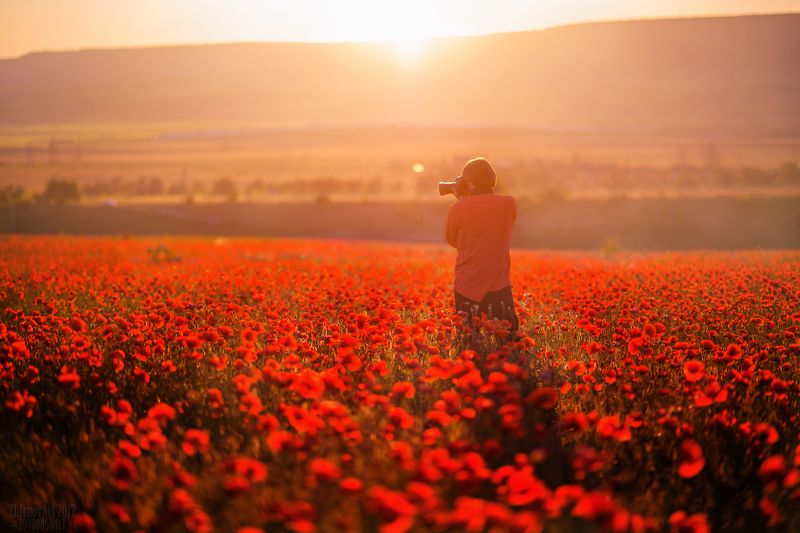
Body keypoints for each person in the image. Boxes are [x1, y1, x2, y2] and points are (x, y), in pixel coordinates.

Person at [445, 157, 519, 332]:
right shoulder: (509, 204)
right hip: (499, 284)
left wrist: (462, 200)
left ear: (468, 183)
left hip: (467, 285)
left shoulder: (457, 209)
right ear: (492, 180)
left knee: (467, 340)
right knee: (509, 340)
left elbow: (452, 240)